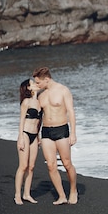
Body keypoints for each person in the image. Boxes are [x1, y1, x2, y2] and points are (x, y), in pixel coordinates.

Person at [32, 66, 78, 205]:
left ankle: (73, 191)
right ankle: (62, 195)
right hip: (46, 132)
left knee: (67, 163)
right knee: (51, 165)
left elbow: (71, 112)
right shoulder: (41, 95)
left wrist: (73, 133)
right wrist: (37, 134)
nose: (36, 85)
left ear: (46, 79)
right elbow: (37, 115)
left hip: (61, 130)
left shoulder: (63, 90)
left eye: (38, 82)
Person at [15, 79, 42, 205]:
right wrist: (20, 137)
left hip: (34, 136)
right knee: (23, 166)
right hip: (25, 134)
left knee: (31, 167)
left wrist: (39, 136)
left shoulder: (39, 102)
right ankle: (17, 195)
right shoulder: (26, 102)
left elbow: (39, 122)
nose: (36, 84)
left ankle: (27, 194)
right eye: (33, 83)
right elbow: (21, 120)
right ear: (29, 88)